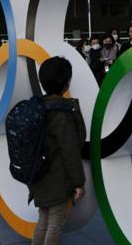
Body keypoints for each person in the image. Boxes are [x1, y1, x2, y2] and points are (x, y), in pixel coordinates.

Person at [29, 56, 86, 245]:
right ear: (67, 82)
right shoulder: (61, 112)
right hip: (57, 177)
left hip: (38, 175)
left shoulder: (37, 107)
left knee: (43, 219)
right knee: (56, 222)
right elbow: (70, 150)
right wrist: (78, 182)